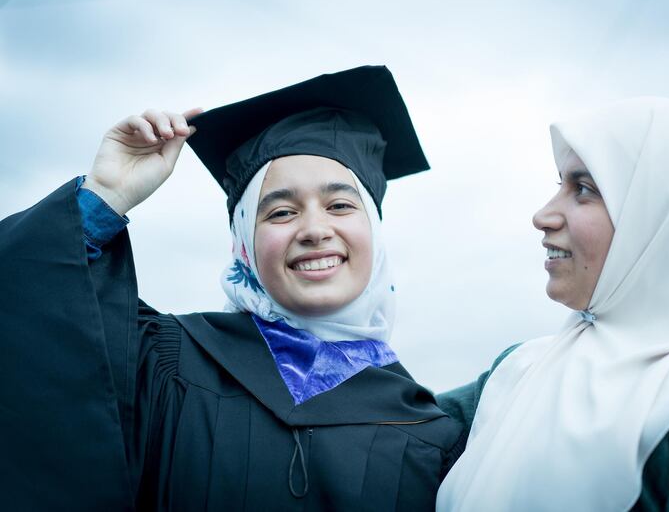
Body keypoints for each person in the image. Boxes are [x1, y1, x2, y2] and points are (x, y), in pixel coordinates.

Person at [0, 66, 463, 510]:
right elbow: (31, 313)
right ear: (244, 240)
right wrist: (105, 194)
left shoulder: (431, 433)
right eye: (280, 212)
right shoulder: (161, 362)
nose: (315, 229)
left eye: (341, 205)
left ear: (375, 234)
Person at [436, 97, 669, 511]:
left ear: (667, 217)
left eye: (585, 189)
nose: (543, 216)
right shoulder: (522, 367)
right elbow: (390, 430)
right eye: (561, 185)